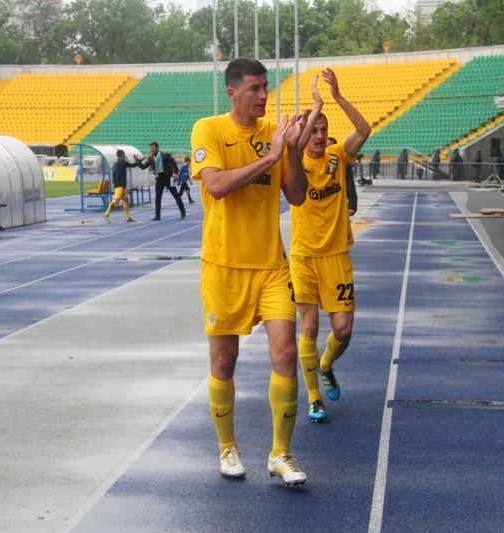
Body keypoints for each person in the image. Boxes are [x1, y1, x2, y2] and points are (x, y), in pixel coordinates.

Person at [190, 57, 310, 486]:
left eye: (266, 87)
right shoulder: (209, 129)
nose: (264, 96)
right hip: (224, 266)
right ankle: (227, 447)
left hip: (272, 266)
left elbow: (297, 196)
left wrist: (290, 152)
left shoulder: (275, 133)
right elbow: (217, 185)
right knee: (225, 360)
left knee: (286, 354)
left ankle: (280, 453)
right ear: (233, 92)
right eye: (255, 88)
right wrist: (272, 155)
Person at [292, 69, 370, 423]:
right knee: (308, 328)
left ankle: (325, 365)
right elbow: (294, 147)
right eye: (315, 130)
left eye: (324, 129)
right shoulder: (296, 162)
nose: (321, 136)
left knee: (343, 331)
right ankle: (314, 398)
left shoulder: (338, 156)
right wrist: (316, 106)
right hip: (304, 256)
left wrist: (337, 98)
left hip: (336, 255)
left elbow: (364, 130)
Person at [137, 142, 185, 221]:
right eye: (150, 148)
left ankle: (182, 211)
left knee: (176, 195)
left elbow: (173, 162)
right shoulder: (150, 158)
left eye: (153, 148)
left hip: (168, 178)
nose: (151, 149)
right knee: (157, 198)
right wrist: (138, 161)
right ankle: (157, 215)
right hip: (159, 179)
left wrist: (176, 172)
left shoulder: (165, 155)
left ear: (157, 148)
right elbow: (143, 167)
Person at [103, 149, 140, 223]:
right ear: (122, 154)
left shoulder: (116, 163)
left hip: (120, 185)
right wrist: (138, 160)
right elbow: (132, 165)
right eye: (124, 154)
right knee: (116, 200)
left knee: (126, 200)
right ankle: (106, 214)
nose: (125, 155)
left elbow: (113, 175)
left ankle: (128, 217)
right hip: (120, 185)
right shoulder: (122, 162)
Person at [328, 136, 357, 216]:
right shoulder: (316, 163)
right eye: (326, 147)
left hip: (337, 204)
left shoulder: (343, 163)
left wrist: (352, 205)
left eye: (331, 147)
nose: (328, 150)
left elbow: (350, 184)